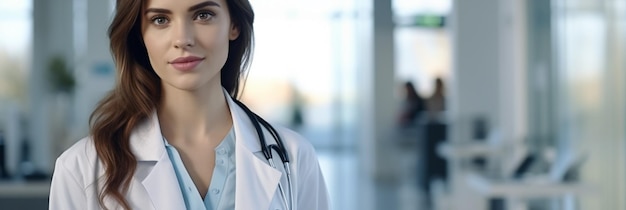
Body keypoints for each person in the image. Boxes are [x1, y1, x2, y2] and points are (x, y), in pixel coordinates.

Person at [49, 0, 330, 209]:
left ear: (233, 25)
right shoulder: (82, 169)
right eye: (160, 20)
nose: (183, 39)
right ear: (140, 35)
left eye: (203, 15)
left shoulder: (293, 158)